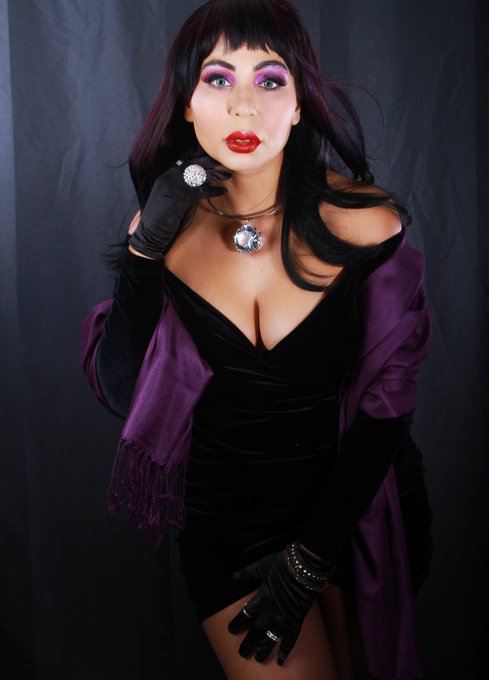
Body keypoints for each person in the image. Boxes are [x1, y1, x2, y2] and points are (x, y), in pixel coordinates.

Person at [80, 1, 433, 678]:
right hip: (227, 533)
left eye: (269, 80)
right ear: (187, 105)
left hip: (350, 518)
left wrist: (310, 560)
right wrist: (145, 250)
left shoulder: (366, 223)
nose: (244, 106)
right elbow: (125, 392)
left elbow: (387, 412)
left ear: (298, 106)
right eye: (218, 79)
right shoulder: (161, 234)